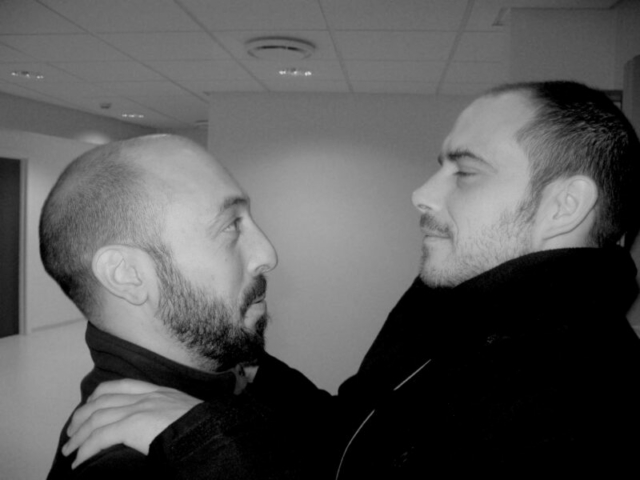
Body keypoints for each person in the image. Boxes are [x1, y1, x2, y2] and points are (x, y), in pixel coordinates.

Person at [60, 81, 640, 477]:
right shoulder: (451, 305)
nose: (421, 194)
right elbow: (360, 434)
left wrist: (210, 447)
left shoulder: (591, 403)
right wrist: (254, 374)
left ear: (564, 205)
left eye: (464, 171)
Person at [42, 134, 326, 479]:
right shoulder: (122, 468)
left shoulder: (233, 379)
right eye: (231, 225)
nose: (267, 255)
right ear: (127, 274)